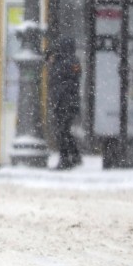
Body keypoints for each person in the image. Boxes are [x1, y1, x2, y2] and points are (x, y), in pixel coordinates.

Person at [47, 36, 82, 170]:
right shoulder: (68, 61)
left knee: (62, 131)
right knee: (64, 131)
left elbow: (67, 81)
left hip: (64, 102)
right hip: (65, 102)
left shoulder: (64, 61)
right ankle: (73, 156)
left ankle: (66, 159)